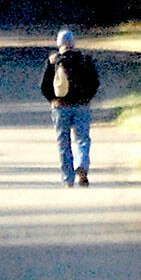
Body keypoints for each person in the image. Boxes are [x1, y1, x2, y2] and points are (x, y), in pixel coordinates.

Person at [40, 28, 100, 187]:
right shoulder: (84, 60)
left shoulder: (53, 62)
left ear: (59, 44)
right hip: (81, 106)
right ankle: (82, 166)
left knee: (63, 143)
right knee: (82, 139)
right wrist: (87, 98)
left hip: (60, 107)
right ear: (73, 43)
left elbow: (44, 86)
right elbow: (94, 82)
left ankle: (67, 179)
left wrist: (53, 100)